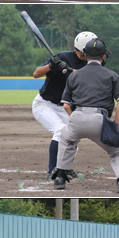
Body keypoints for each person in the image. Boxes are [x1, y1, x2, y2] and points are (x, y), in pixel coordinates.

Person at [51, 38, 119, 193]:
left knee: (66, 140)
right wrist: (115, 125)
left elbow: (66, 105)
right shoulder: (112, 75)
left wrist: (74, 120)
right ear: (103, 56)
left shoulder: (74, 75)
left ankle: (59, 176)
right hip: (99, 119)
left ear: (85, 55)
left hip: (77, 116)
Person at [32, 31, 96, 178]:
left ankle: (64, 168)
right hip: (45, 104)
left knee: (74, 135)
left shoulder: (90, 63)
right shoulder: (63, 57)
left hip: (65, 107)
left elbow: (86, 78)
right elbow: (36, 74)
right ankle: (52, 171)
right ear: (80, 49)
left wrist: (67, 69)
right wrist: (52, 65)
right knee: (61, 131)